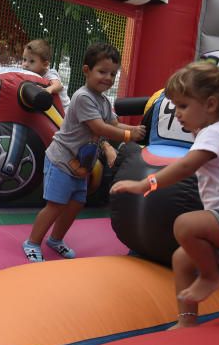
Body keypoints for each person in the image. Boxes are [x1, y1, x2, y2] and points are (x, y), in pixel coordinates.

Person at [110, 61, 219, 328]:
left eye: (183, 106)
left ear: (209, 105)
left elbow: (186, 166)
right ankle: (187, 319)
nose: (177, 114)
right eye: (174, 106)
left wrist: (145, 185)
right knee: (180, 259)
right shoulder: (213, 133)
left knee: (185, 224)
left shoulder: (216, 133)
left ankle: (210, 276)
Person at [23, 43, 145, 262]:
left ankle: (56, 239)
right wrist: (128, 136)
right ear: (87, 70)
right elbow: (98, 128)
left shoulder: (104, 101)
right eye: (102, 71)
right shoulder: (83, 97)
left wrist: (135, 131)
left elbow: (115, 124)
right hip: (61, 159)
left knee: (76, 203)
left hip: (81, 165)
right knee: (56, 204)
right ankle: (32, 242)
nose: (108, 78)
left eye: (112, 74)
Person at [22, 39, 70, 107]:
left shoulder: (50, 74)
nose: (25, 64)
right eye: (24, 59)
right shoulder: (32, 74)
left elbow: (59, 86)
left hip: (64, 110)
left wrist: (49, 89)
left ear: (45, 64)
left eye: (32, 61)